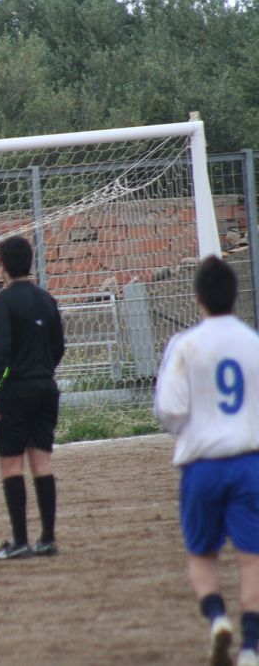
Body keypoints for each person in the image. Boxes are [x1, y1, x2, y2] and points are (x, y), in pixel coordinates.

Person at [155, 256, 259, 666]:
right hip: (249, 462)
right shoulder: (253, 343)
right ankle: (251, 648)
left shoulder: (185, 346)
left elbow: (170, 410)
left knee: (202, 555)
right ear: (235, 296)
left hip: (202, 465)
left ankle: (217, 620)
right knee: (252, 557)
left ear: (197, 296)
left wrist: (195, 428)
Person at [0, 235, 65, 561]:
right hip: (46, 388)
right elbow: (58, 346)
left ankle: (19, 541)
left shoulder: (4, 300)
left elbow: (1, 351)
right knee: (41, 463)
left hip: (16, 391)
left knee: (11, 464)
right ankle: (47, 539)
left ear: (2, 265)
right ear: (30, 262)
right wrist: (43, 371)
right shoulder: (47, 299)